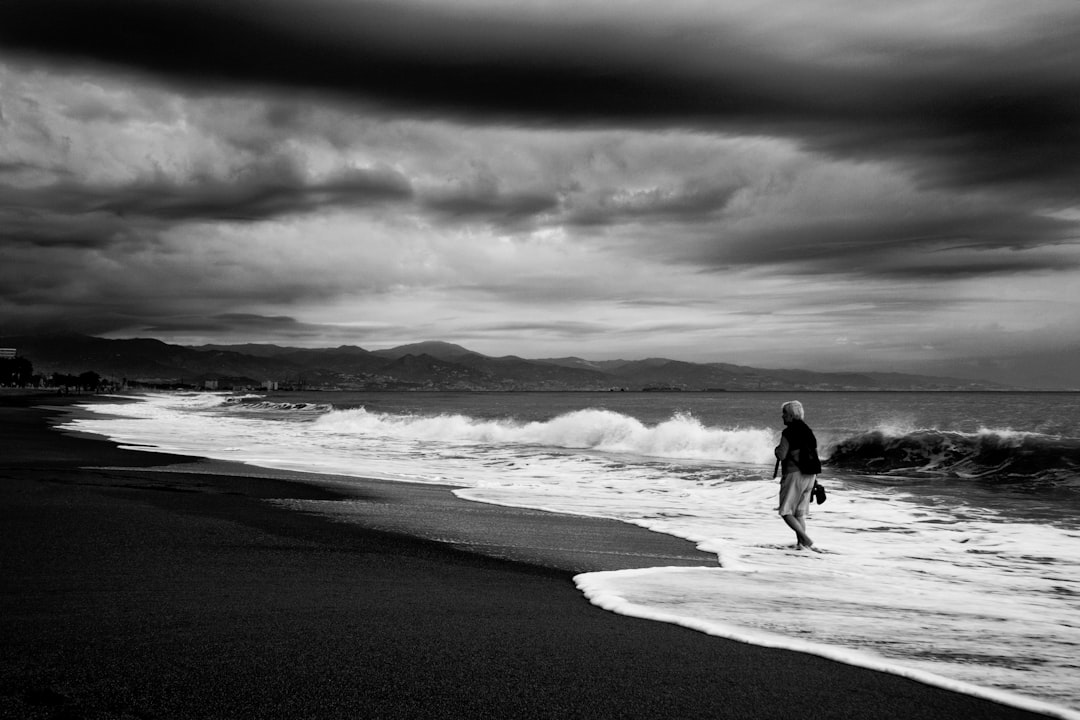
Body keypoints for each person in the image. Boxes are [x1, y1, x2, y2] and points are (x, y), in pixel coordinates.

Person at [774, 400, 821, 551]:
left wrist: (776, 450)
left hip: (794, 474)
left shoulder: (789, 432)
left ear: (792, 415)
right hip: (811, 475)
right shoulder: (808, 431)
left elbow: (781, 455)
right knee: (799, 513)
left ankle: (805, 539)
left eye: (785, 414)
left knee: (786, 512)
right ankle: (801, 545)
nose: (782, 416)